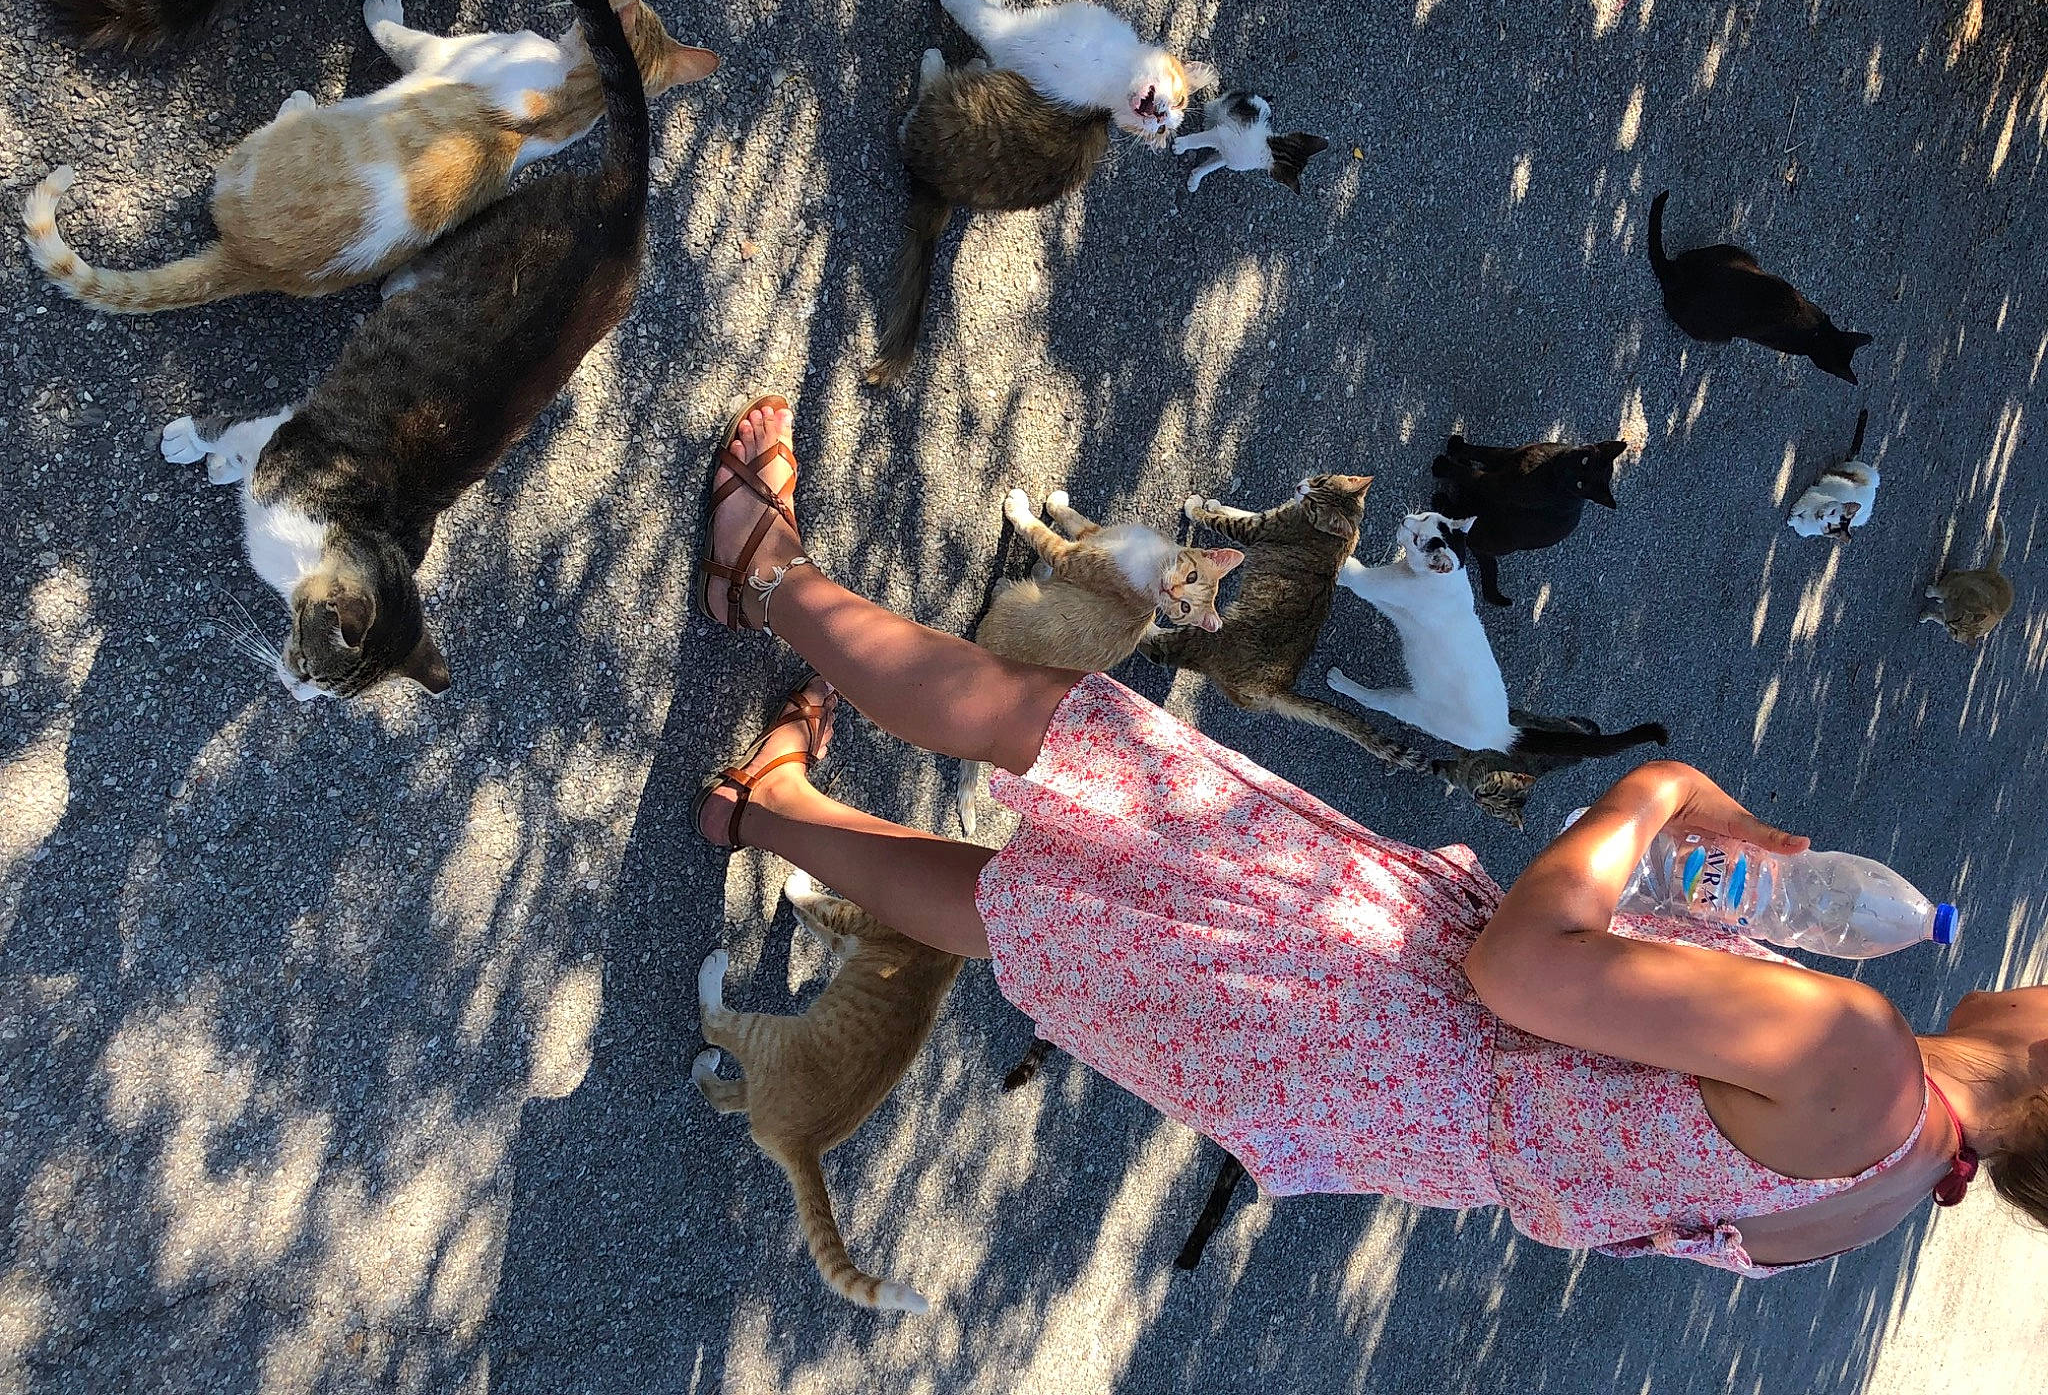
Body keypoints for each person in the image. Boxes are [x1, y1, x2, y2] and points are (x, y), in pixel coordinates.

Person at [694, 394, 2048, 1273]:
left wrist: (1646, 800)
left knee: (1059, 733)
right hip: (1362, 1111)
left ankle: (763, 576)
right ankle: (769, 807)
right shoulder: (1881, 1199)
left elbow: (1519, 974)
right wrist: (1724, 903)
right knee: (1037, 921)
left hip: (1369, 991)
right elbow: (1625, 1114)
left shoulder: (1861, 1056)